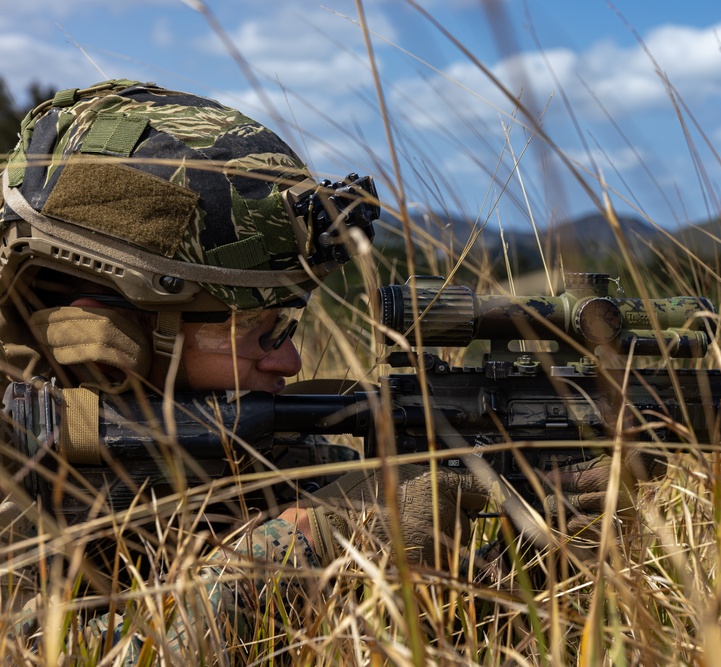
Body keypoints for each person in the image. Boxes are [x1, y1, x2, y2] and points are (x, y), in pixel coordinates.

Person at [0, 80, 658, 662]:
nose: (289, 359)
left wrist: (519, 575)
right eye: (260, 329)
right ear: (104, 325)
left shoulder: (250, 450)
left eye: (291, 325)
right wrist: (327, 543)